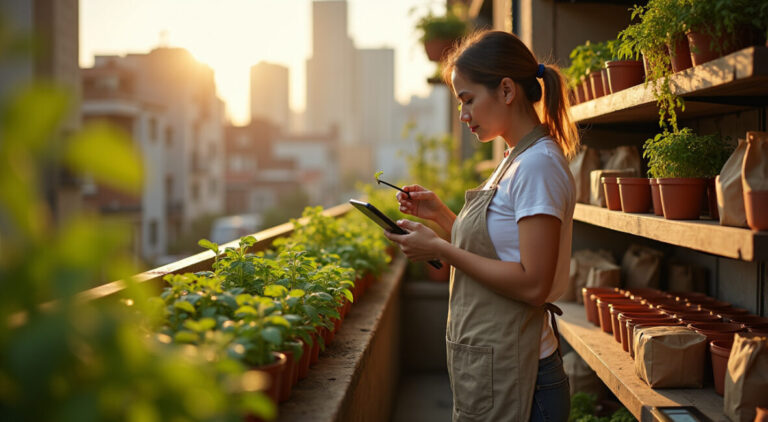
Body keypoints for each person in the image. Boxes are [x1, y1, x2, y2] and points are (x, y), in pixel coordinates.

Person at [384, 30, 579, 422]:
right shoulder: (512, 160)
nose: (463, 115)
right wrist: (441, 216)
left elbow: (532, 282)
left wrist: (440, 249)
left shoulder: (537, 166)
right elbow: (500, 252)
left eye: (468, 100)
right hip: (498, 368)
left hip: (526, 379)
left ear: (506, 90)